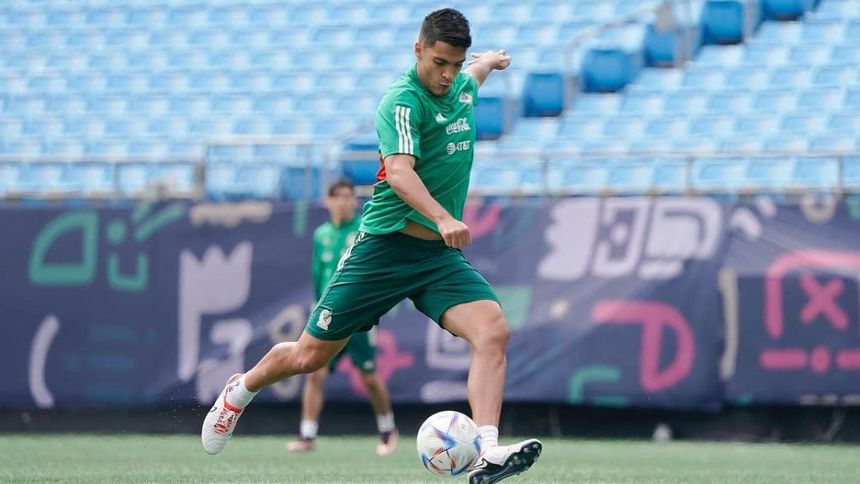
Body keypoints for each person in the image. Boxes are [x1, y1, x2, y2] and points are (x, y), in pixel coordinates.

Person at [202, 8, 542, 483]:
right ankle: (239, 391)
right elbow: (399, 174)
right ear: (418, 49)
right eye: (439, 63)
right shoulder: (401, 102)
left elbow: (473, 75)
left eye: (455, 65)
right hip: (383, 249)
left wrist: (488, 61)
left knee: (493, 331)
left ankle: (487, 452)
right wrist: (443, 217)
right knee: (309, 357)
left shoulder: (462, 86)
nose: (447, 75)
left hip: (435, 258)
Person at [286, 179, 398, 456]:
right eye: (338, 197)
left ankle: (388, 430)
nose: (344, 202)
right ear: (328, 201)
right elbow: (318, 275)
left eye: (349, 197)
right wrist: (316, 309)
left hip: (358, 315)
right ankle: (307, 435)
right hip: (328, 316)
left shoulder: (365, 228)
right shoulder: (321, 234)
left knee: (369, 376)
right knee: (315, 372)